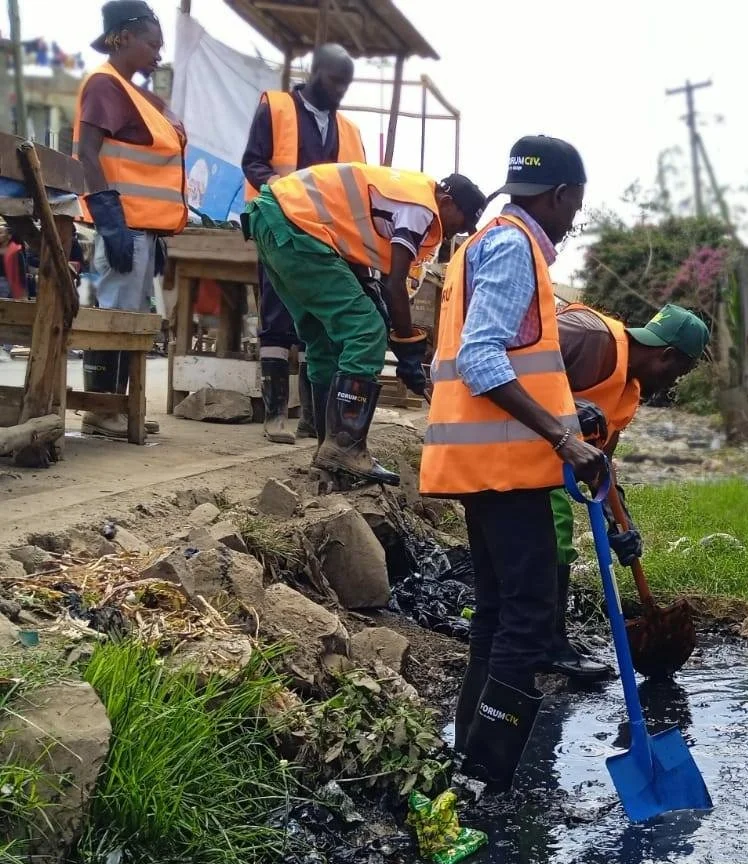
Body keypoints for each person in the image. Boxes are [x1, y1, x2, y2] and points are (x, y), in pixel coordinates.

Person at [419, 135, 605, 793]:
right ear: (557, 196)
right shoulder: (512, 247)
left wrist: (567, 417)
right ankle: (488, 779)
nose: (576, 218)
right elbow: (483, 358)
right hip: (507, 468)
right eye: (576, 203)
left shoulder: (486, 242)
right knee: (526, 620)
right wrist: (562, 440)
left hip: (493, 464)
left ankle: (469, 764)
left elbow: (514, 360)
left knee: (498, 614)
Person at [243, 161, 485, 484]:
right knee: (367, 330)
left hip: (274, 220)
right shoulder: (422, 209)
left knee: (325, 340)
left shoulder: (405, 193)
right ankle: (345, 447)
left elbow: (375, 276)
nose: (456, 232)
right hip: (294, 224)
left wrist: (403, 344)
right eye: (462, 222)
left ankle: (328, 454)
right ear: (447, 203)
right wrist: (408, 349)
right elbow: (395, 284)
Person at [542, 301, 710, 681]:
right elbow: (517, 360)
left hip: (543, 462)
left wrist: (621, 523)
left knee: (558, 533)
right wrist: (569, 406)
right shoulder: (587, 335)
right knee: (554, 529)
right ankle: (547, 645)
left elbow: (600, 465)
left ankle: (550, 638)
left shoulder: (626, 391)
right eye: (677, 374)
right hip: (506, 454)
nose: (671, 385)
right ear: (666, 357)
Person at [241, 43, 365, 446]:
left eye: (348, 84)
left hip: (326, 238)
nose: (341, 90)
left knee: (321, 324)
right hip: (281, 231)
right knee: (277, 319)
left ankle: (313, 419)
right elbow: (253, 161)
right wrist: (274, 185)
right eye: (335, 80)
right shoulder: (276, 109)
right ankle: (275, 414)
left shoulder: (348, 130)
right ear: (315, 73)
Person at [73, 0, 186, 438]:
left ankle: (115, 407)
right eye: (152, 43)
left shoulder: (132, 91)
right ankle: (101, 411)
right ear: (123, 37)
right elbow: (87, 153)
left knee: (130, 318)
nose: (158, 53)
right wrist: (109, 218)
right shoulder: (106, 85)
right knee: (117, 315)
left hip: (140, 227)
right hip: (122, 224)